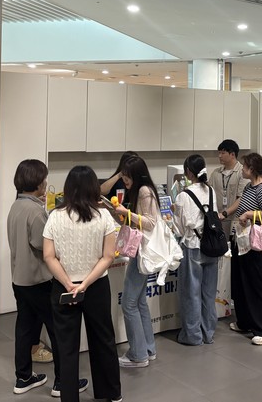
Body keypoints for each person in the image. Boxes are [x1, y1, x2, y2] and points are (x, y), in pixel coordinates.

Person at [7, 159, 87, 396]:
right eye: (44, 179)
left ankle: (23, 377)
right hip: (38, 281)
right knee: (57, 330)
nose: (45, 183)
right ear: (37, 183)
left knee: (24, 328)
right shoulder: (35, 211)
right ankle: (63, 382)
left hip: (19, 279)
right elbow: (44, 246)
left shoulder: (16, 205)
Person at [42, 166, 120, 402]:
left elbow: (48, 256)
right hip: (96, 287)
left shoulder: (55, 216)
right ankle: (110, 393)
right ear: (94, 188)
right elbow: (108, 256)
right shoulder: (103, 217)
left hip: (63, 289)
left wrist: (69, 283)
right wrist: (85, 284)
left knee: (66, 346)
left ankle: (69, 396)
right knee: (103, 339)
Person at [113, 156, 160, 368]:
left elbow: (150, 223)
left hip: (142, 252)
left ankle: (138, 354)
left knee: (129, 303)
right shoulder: (142, 190)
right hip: (141, 251)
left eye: (127, 175)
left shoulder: (144, 191)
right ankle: (148, 349)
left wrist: (127, 213)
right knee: (139, 302)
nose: (124, 179)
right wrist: (124, 215)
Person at [229, 153, 262, 345]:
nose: (242, 169)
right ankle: (246, 321)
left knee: (257, 285)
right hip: (242, 241)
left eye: (244, 167)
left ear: (252, 169)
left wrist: (249, 214)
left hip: (256, 244)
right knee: (242, 284)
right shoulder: (249, 187)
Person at [172, 154, 219, 346]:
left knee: (191, 293)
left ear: (188, 172)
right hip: (211, 246)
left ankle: (192, 335)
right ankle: (208, 333)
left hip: (192, 246)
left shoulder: (183, 196)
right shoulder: (211, 191)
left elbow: (178, 228)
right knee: (209, 293)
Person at [209, 139, 248, 237]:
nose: (219, 156)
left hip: (236, 219)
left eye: (222, 153)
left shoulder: (242, 172)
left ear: (232, 154)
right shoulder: (216, 173)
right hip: (218, 218)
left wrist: (225, 213)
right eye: (219, 153)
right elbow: (208, 192)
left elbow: (242, 198)